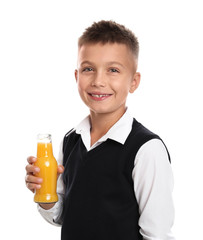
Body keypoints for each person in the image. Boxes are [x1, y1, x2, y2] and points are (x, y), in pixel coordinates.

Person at [25, 20, 175, 240]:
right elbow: (62, 216)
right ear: (77, 77)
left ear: (133, 82)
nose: (98, 81)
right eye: (88, 69)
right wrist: (44, 194)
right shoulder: (70, 140)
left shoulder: (146, 150)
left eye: (113, 70)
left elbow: (158, 234)